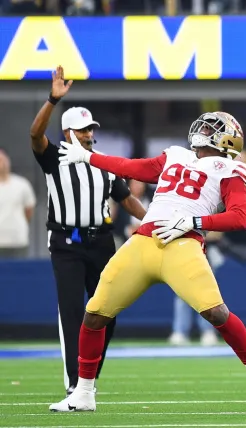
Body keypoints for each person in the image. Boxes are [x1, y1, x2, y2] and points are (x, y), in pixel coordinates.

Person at [49, 111, 246, 412]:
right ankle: (84, 392)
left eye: (213, 128)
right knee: (94, 313)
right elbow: (133, 168)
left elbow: (239, 217)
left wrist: (193, 220)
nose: (204, 129)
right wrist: (89, 157)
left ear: (228, 138)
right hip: (143, 240)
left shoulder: (232, 168)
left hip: (183, 244)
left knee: (216, 314)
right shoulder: (176, 155)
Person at [30, 66, 146, 397]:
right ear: (67, 132)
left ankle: (89, 377)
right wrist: (52, 99)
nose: (87, 135)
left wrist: (154, 220)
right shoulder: (54, 156)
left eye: (90, 129)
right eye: (81, 130)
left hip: (101, 242)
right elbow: (34, 135)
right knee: (72, 313)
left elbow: (126, 200)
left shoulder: (102, 162)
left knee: (107, 313)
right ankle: (73, 383)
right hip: (66, 242)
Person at [0, 148, 36, 258]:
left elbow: (29, 210)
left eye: (4, 159)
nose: (3, 163)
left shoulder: (22, 184)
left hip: (18, 240)